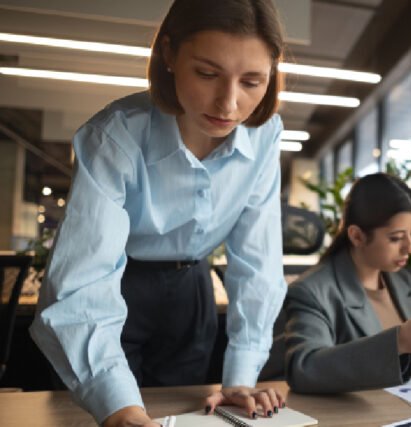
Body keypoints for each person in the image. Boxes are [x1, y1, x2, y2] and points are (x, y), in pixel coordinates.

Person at [29, 1, 288, 425]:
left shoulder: (265, 134)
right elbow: (86, 278)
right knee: (107, 413)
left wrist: (241, 379)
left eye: (253, 81)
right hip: (116, 285)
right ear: (169, 54)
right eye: (207, 74)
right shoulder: (115, 134)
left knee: (183, 413)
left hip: (192, 289)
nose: (229, 103)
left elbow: (257, 260)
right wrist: (120, 409)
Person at [284, 173, 411, 394]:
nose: (410, 248)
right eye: (395, 238)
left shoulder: (402, 282)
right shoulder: (311, 291)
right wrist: (399, 341)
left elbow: (406, 365)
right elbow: (304, 369)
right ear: (357, 236)